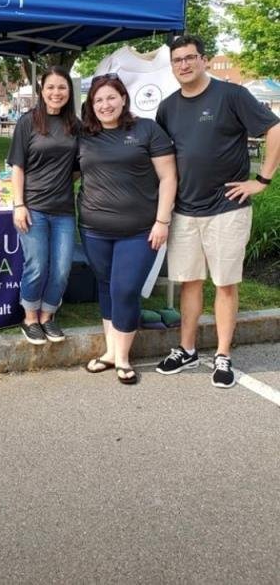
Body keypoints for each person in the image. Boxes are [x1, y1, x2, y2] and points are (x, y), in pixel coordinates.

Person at [155, 35, 280, 388]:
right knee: (189, 283)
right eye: (177, 60)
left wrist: (263, 180)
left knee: (225, 283)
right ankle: (187, 348)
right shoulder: (167, 107)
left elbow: (275, 129)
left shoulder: (232, 95)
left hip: (227, 208)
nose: (184, 65)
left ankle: (223, 354)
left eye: (190, 58)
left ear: (204, 60)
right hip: (185, 211)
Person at [78, 75, 177, 384]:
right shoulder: (84, 135)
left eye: (110, 98)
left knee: (126, 288)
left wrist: (162, 221)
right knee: (106, 286)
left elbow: (168, 177)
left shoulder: (146, 129)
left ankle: (122, 357)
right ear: (91, 106)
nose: (105, 105)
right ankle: (110, 351)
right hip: (94, 228)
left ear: (123, 98)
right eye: (98, 101)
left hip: (139, 230)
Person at [7, 66, 80, 345]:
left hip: (63, 209)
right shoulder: (28, 122)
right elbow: (18, 167)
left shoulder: (76, 125)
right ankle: (30, 318)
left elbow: (77, 168)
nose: (56, 93)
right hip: (33, 207)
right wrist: (19, 204)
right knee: (37, 264)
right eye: (50, 87)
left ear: (69, 91)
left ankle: (48, 316)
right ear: (42, 91)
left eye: (62, 87)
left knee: (61, 268)